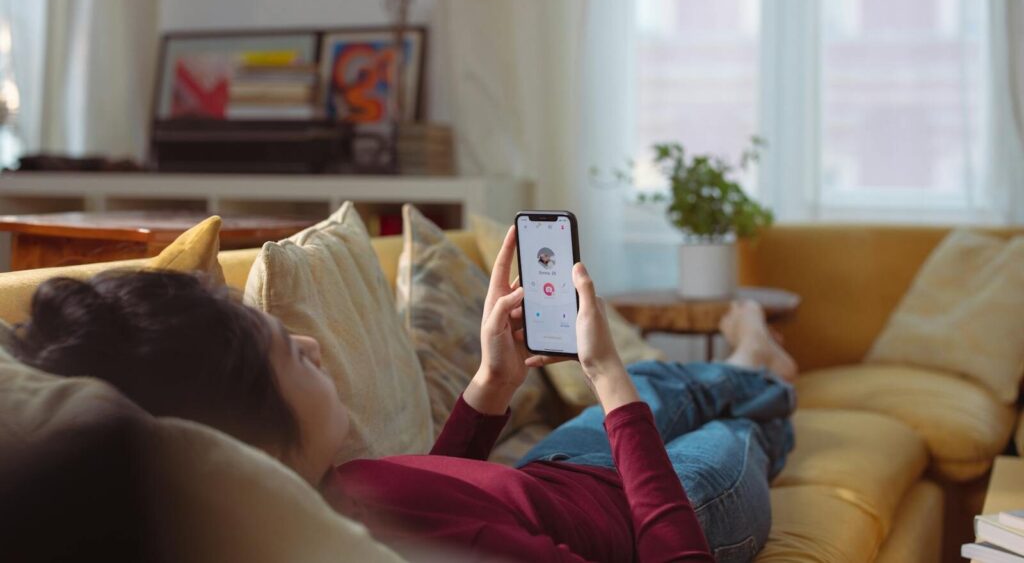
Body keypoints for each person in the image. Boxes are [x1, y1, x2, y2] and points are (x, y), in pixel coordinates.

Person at [9, 226, 796, 562]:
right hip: (654, 505)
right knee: (741, 429)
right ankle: (763, 368)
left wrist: (491, 381)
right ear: (248, 428)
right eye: (287, 349)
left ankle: (741, 358)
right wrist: (604, 375)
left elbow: (437, 491)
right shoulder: (392, 542)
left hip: (555, 469)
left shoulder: (333, 493)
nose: (311, 343)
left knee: (664, 381)